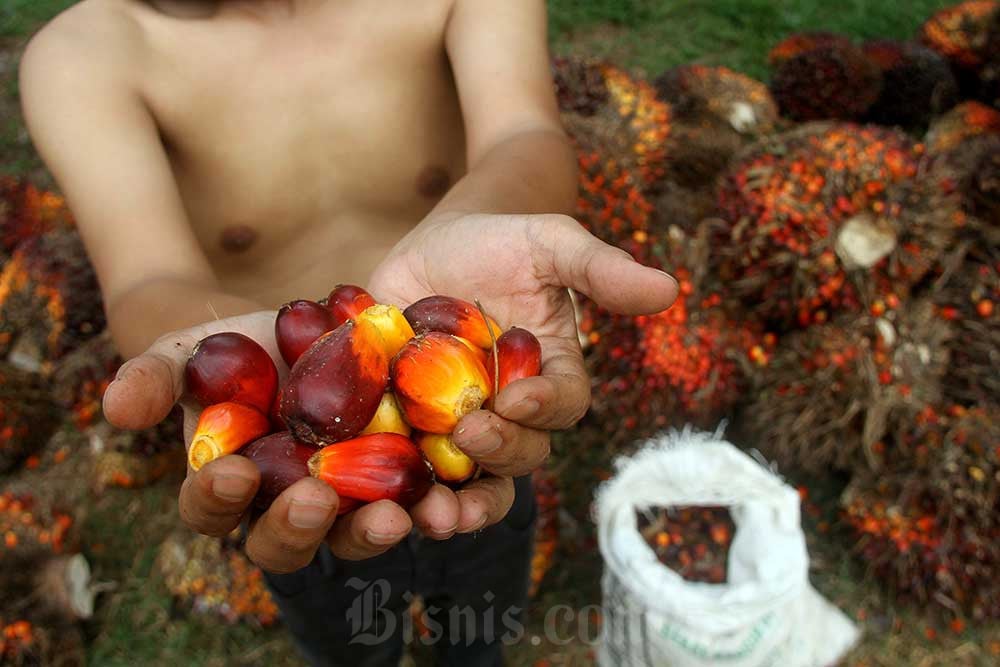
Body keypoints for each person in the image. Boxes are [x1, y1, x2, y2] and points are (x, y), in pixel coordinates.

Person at [20, 0, 678, 664]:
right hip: (295, 451)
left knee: (480, 615)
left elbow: (525, 136)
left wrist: (473, 226)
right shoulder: (87, 54)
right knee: (347, 637)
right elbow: (144, 281)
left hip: (472, 418)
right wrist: (221, 342)